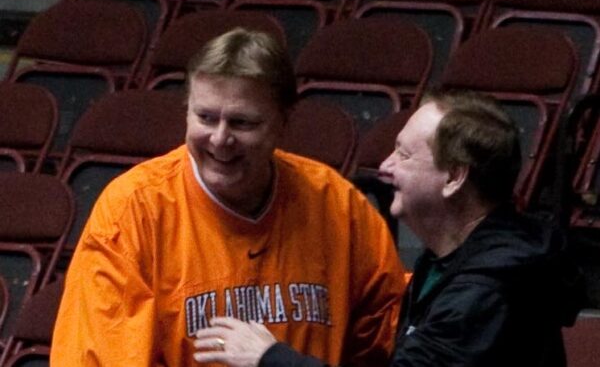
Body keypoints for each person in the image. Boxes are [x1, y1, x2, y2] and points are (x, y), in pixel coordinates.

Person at [50, 28, 406, 366]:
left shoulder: (336, 206)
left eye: (242, 123)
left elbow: (393, 334)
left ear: (283, 122)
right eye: (205, 117)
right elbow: (99, 352)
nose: (220, 139)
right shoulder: (135, 210)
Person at [193, 89, 585, 367]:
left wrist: (269, 357)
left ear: (454, 177)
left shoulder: (486, 291)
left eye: (404, 153)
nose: (384, 165)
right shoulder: (455, 263)